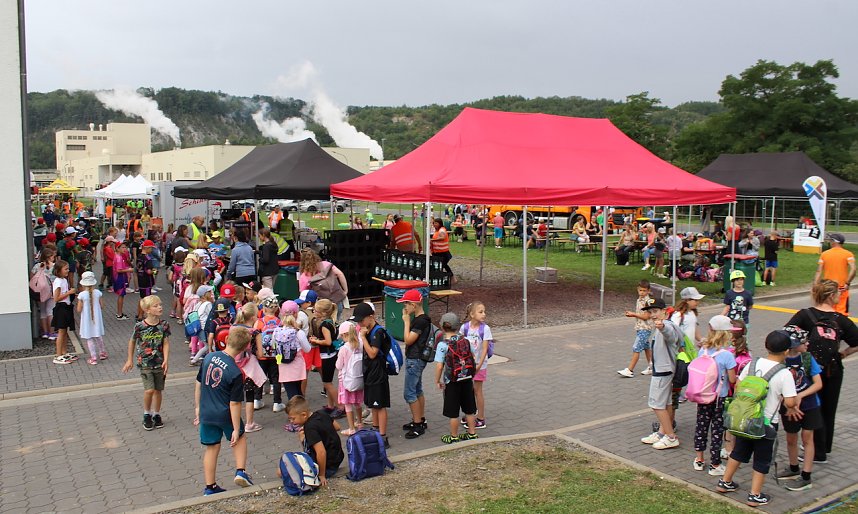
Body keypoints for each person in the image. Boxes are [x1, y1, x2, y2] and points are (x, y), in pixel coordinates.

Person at [715, 330, 798, 508]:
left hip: (745, 420)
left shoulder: (753, 364)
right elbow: (790, 401)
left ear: (766, 347)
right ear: (786, 352)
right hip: (765, 424)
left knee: (739, 451)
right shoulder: (784, 374)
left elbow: (738, 386)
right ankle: (755, 495)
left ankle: (725, 482)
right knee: (762, 459)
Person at [785, 279, 858, 464]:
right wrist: (843, 354)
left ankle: (811, 447)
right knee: (828, 409)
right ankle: (823, 447)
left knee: (811, 406)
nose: (840, 296)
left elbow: (785, 335)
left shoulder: (804, 315)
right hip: (833, 369)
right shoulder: (840, 319)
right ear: (832, 296)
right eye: (838, 293)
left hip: (809, 369)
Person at [194, 326, 255, 496]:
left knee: (211, 448)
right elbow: (234, 403)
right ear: (245, 348)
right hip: (225, 413)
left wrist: (197, 407)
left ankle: (210, 486)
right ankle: (240, 471)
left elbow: (198, 383)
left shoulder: (209, 357)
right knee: (240, 438)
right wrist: (236, 428)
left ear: (226, 339)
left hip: (207, 411)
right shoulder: (236, 372)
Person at [776, 325, 823, 491]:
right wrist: (788, 402)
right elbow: (776, 387)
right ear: (792, 344)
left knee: (807, 438)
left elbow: (818, 383)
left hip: (810, 406)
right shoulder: (781, 361)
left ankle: (806, 475)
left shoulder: (808, 358)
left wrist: (800, 396)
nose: (807, 344)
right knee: (791, 438)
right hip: (788, 407)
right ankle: (793, 467)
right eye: (804, 341)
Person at [692, 315, 738, 476]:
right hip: (720, 397)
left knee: (701, 426)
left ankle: (699, 459)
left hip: (703, 395)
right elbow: (732, 379)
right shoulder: (727, 355)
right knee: (717, 430)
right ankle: (715, 464)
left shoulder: (702, 350)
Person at [122, 295, 171, 431]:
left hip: (159, 363)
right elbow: (132, 341)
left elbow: (166, 342)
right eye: (156, 306)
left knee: (158, 390)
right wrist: (129, 359)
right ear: (147, 310)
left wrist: (166, 359)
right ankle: (146, 414)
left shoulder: (164, 325)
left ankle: (156, 414)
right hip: (145, 364)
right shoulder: (140, 326)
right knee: (149, 390)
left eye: (160, 304)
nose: (160, 307)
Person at [640, 298, 683, 450]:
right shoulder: (665, 326)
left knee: (656, 404)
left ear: (664, 311)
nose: (653, 315)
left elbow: (669, 334)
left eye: (655, 311)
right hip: (665, 369)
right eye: (650, 312)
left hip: (663, 371)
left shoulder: (667, 326)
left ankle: (671, 437)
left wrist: (662, 326)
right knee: (666, 403)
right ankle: (662, 433)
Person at [352, 302, 392, 449]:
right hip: (370, 372)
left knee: (380, 405)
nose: (360, 323)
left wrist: (363, 338)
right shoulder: (369, 330)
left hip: (378, 373)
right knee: (374, 404)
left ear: (370, 317)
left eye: (361, 320)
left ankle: (382, 435)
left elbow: (373, 353)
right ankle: (375, 429)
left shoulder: (378, 332)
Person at [434, 311, 478, 444]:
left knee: (453, 411)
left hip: (451, 381)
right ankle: (472, 433)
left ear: (442, 327)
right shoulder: (466, 341)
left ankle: (453, 436)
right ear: (458, 327)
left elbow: (440, 366)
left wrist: (437, 380)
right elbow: (473, 358)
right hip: (466, 380)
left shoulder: (443, 345)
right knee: (469, 409)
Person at [285, 395, 344, 486]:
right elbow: (337, 427)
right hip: (337, 458)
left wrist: (321, 474)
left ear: (304, 415)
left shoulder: (310, 428)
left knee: (283, 470)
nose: (291, 422)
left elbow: (321, 452)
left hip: (328, 466)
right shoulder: (322, 413)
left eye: (293, 418)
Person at [399, 289, 432, 439]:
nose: (405, 307)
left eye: (406, 303)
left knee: (409, 393)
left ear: (413, 304)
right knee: (418, 390)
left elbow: (408, 340)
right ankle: (420, 419)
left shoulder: (419, 321)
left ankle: (418, 424)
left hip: (415, 359)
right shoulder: (425, 318)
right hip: (419, 359)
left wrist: (406, 322)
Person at [275, 314, 313, 432]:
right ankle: (301, 418)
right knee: (298, 391)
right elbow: (307, 349)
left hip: (283, 365)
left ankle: (296, 419)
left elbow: (273, 346)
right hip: (297, 365)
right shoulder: (299, 332)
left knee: (291, 393)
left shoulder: (276, 331)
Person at [459, 301, 493, 429]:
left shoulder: (485, 329)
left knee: (478, 390)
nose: (484, 314)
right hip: (467, 365)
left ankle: (481, 418)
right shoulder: (465, 328)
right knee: (469, 390)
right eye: (480, 312)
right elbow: (461, 345)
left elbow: (484, 349)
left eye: (484, 311)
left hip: (480, 366)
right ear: (472, 314)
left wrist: (478, 365)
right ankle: (470, 413)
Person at [309, 299, 345, 418]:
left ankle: (340, 407)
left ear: (323, 313)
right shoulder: (331, 321)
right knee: (328, 381)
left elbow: (328, 341)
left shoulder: (324, 325)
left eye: (316, 310)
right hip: (332, 354)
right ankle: (330, 405)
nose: (314, 311)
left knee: (327, 383)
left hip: (327, 355)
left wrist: (316, 341)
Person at [618, 280, 654, 378]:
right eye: (640, 290)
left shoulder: (648, 301)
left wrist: (633, 314)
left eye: (644, 291)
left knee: (636, 348)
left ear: (648, 291)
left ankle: (630, 370)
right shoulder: (639, 300)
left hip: (645, 328)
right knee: (646, 347)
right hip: (640, 327)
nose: (642, 292)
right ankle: (652, 366)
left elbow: (646, 316)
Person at [814, 233, 855, 315]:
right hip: (841, 287)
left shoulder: (824, 254)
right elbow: (853, 269)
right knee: (842, 313)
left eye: (830, 240)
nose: (829, 242)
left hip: (827, 287)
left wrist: (816, 285)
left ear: (834, 242)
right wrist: (847, 283)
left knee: (826, 310)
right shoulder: (848, 254)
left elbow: (819, 271)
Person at [335, 321, 364, 435]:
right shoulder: (360, 344)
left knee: (348, 404)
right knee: (357, 403)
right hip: (358, 379)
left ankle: (351, 428)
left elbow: (338, 365)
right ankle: (360, 423)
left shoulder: (344, 348)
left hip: (346, 381)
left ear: (344, 335)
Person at [51, 260, 78, 365]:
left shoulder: (64, 280)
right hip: (61, 308)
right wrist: (69, 293)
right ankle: (58, 355)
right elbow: (56, 298)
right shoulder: (58, 281)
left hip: (66, 307)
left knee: (65, 332)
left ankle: (64, 352)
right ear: (59, 270)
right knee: (61, 332)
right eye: (65, 269)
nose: (68, 271)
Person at [76, 271, 106, 366]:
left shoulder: (81, 295)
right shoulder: (98, 293)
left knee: (89, 338)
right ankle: (102, 352)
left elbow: (78, 309)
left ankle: (93, 357)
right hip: (96, 319)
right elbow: (102, 306)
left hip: (87, 320)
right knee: (98, 336)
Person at [135, 240, 157, 320]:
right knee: (146, 299)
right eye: (151, 248)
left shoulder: (139, 256)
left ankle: (139, 313)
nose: (151, 250)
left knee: (142, 298)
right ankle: (141, 316)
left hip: (140, 279)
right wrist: (154, 271)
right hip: (147, 280)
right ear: (147, 248)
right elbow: (148, 271)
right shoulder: (148, 258)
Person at [431, 217, 455, 283]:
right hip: (436, 252)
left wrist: (432, 240)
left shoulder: (442, 230)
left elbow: (443, 237)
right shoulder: (436, 230)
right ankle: (448, 278)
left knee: (441, 266)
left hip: (443, 253)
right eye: (434, 223)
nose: (434, 224)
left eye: (436, 223)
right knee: (442, 266)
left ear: (440, 223)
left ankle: (449, 278)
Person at [113, 241, 133, 320]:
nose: (125, 249)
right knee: (121, 295)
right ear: (117, 249)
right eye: (123, 247)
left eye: (125, 247)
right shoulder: (119, 258)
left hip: (119, 277)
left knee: (121, 295)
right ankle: (119, 314)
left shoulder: (118, 256)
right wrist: (129, 269)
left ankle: (119, 312)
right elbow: (119, 270)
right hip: (119, 278)